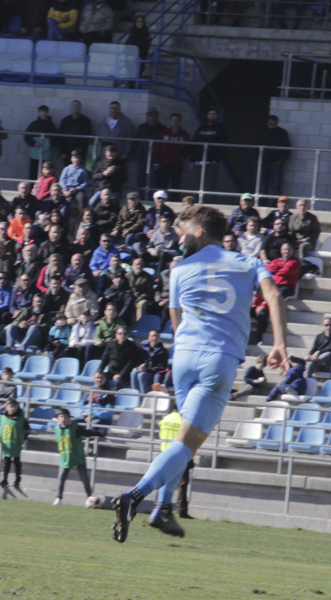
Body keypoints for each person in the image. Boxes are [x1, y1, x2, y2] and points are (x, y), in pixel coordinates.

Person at [113, 204, 289, 542]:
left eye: (183, 230)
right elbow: (274, 295)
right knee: (187, 443)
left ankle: (163, 509)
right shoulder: (248, 262)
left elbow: (175, 317)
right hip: (218, 360)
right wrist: (279, 343)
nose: (178, 237)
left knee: (182, 436)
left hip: (184, 358)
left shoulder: (179, 269)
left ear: (199, 231)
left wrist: (186, 345)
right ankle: (134, 497)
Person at [53, 408, 102, 505]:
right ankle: (58, 498)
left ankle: (89, 496)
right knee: (61, 479)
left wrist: (98, 434)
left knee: (84, 478)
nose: (63, 419)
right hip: (65, 458)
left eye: (66, 417)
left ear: (69, 418)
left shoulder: (75, 427)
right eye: (61, 416)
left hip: (78, 457)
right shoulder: (56, 429)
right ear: (58, 418)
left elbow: (86, 433)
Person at [255, 115, 291, 200]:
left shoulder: (282, 133)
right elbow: (255, 146)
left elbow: (287, 149)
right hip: (264, 162)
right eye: (270, 124)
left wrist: (280, 160)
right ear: (267, 123)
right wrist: (258, 160)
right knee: (262, 187)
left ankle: (275, 206)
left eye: (274, 124)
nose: (272, 126)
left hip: (276, 163)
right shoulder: (261, 132)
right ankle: (262, 204)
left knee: (276, 187)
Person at [0, 397, 28, 488]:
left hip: (16, 444)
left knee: (16, 461)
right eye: (10, 406)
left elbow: (26, 430)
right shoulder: (3, 418)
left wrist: (23, 439)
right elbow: (1, 430)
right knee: (6, 462)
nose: (12, 408)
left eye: (14, 406)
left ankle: (17, 479)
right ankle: (5, 479)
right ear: (6, 407)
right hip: (7, 444)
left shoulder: (21, 418)